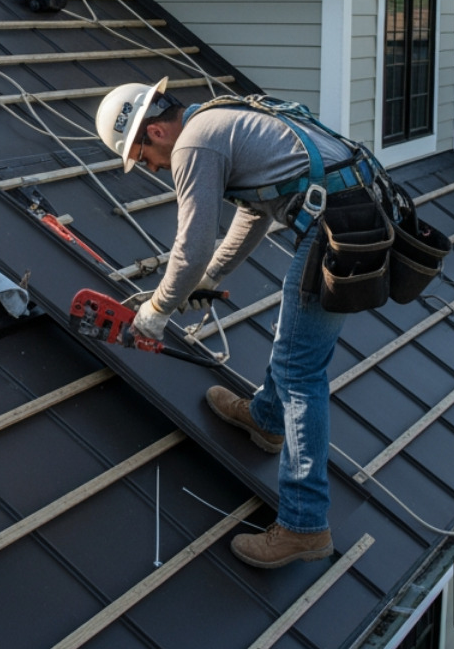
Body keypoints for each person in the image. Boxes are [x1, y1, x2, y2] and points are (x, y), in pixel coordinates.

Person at [95, 78, 376, 568]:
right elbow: (252, 216)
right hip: (357, 215)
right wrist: (209, 278)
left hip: (336, 229)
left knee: (300, 375)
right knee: (294, 352)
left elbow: (192, 244)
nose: (152, 169)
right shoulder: (218, 120)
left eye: (142, 158)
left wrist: (156, 311)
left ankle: (305, 525)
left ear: (155, 132)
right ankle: (266, 421)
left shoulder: (192, 145)